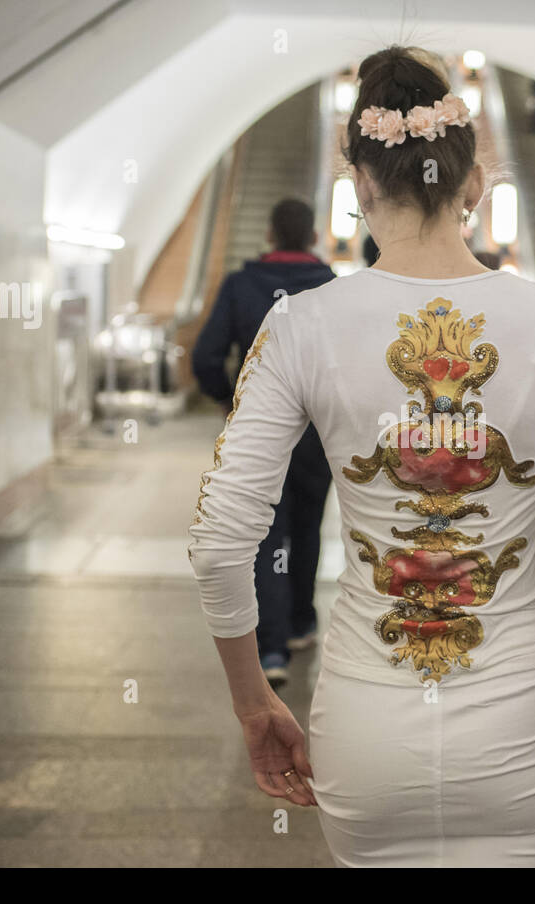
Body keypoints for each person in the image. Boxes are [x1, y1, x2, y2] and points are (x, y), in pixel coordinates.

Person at [188, 45, 535, 866]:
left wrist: (256, 704)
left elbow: (221, 542)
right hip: (520, 728)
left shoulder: (300, 324)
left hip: (364, 732)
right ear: (473, 183)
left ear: (361, 184)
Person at [190, 198, 336, 688]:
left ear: (270, 236)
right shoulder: (333, 288)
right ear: (313, 237)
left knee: (264, 535)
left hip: (258, 430)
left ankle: (271, 648)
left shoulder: (239, 285)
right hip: (317, 434)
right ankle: (300, 621)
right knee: (309, 524)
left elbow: (207, 356)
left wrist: (231, 400)